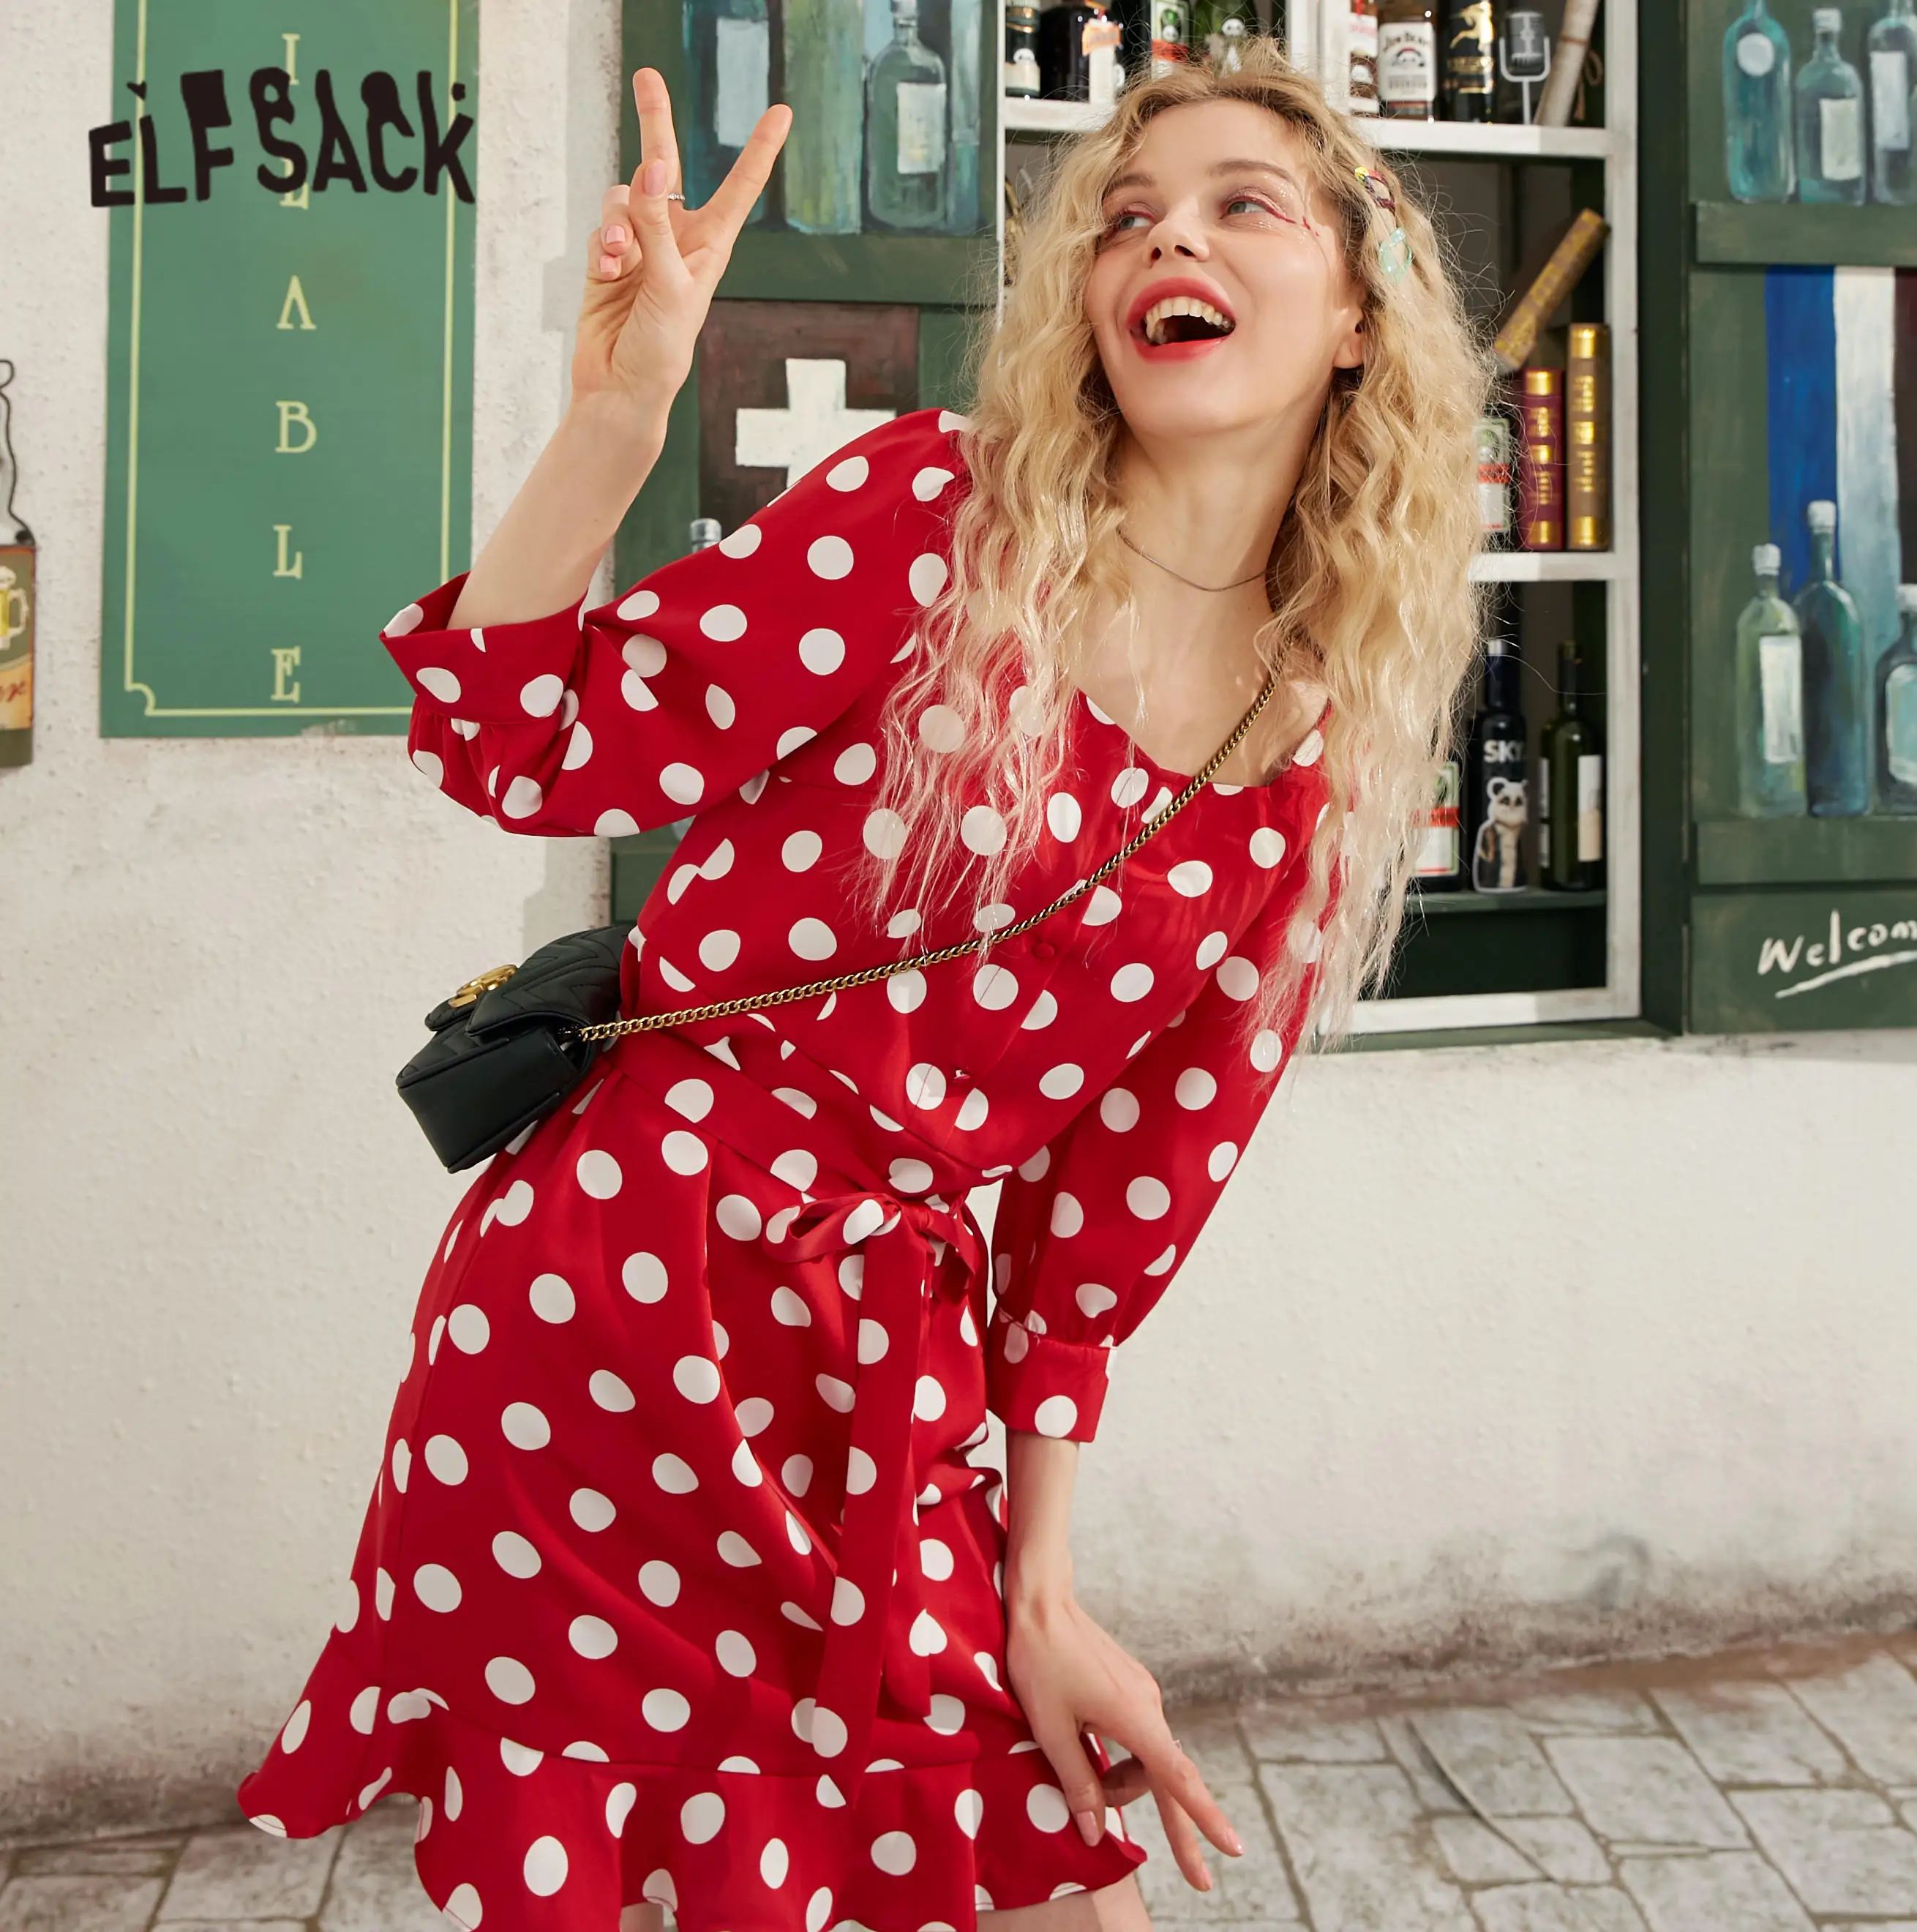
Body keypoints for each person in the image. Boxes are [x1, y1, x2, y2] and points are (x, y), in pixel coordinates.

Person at [237, 42, 1486, 1932]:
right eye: (1129, 214)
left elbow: (1097, 1243)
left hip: (873, 1382)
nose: (1172, 236)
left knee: (1061, 1894)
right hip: (607, 1306)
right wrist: (621, 414)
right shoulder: (936, 525)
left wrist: (1040, 1592)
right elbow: (527, 734)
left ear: (1356, 326)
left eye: (1247, 203)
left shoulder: (1303, 779)